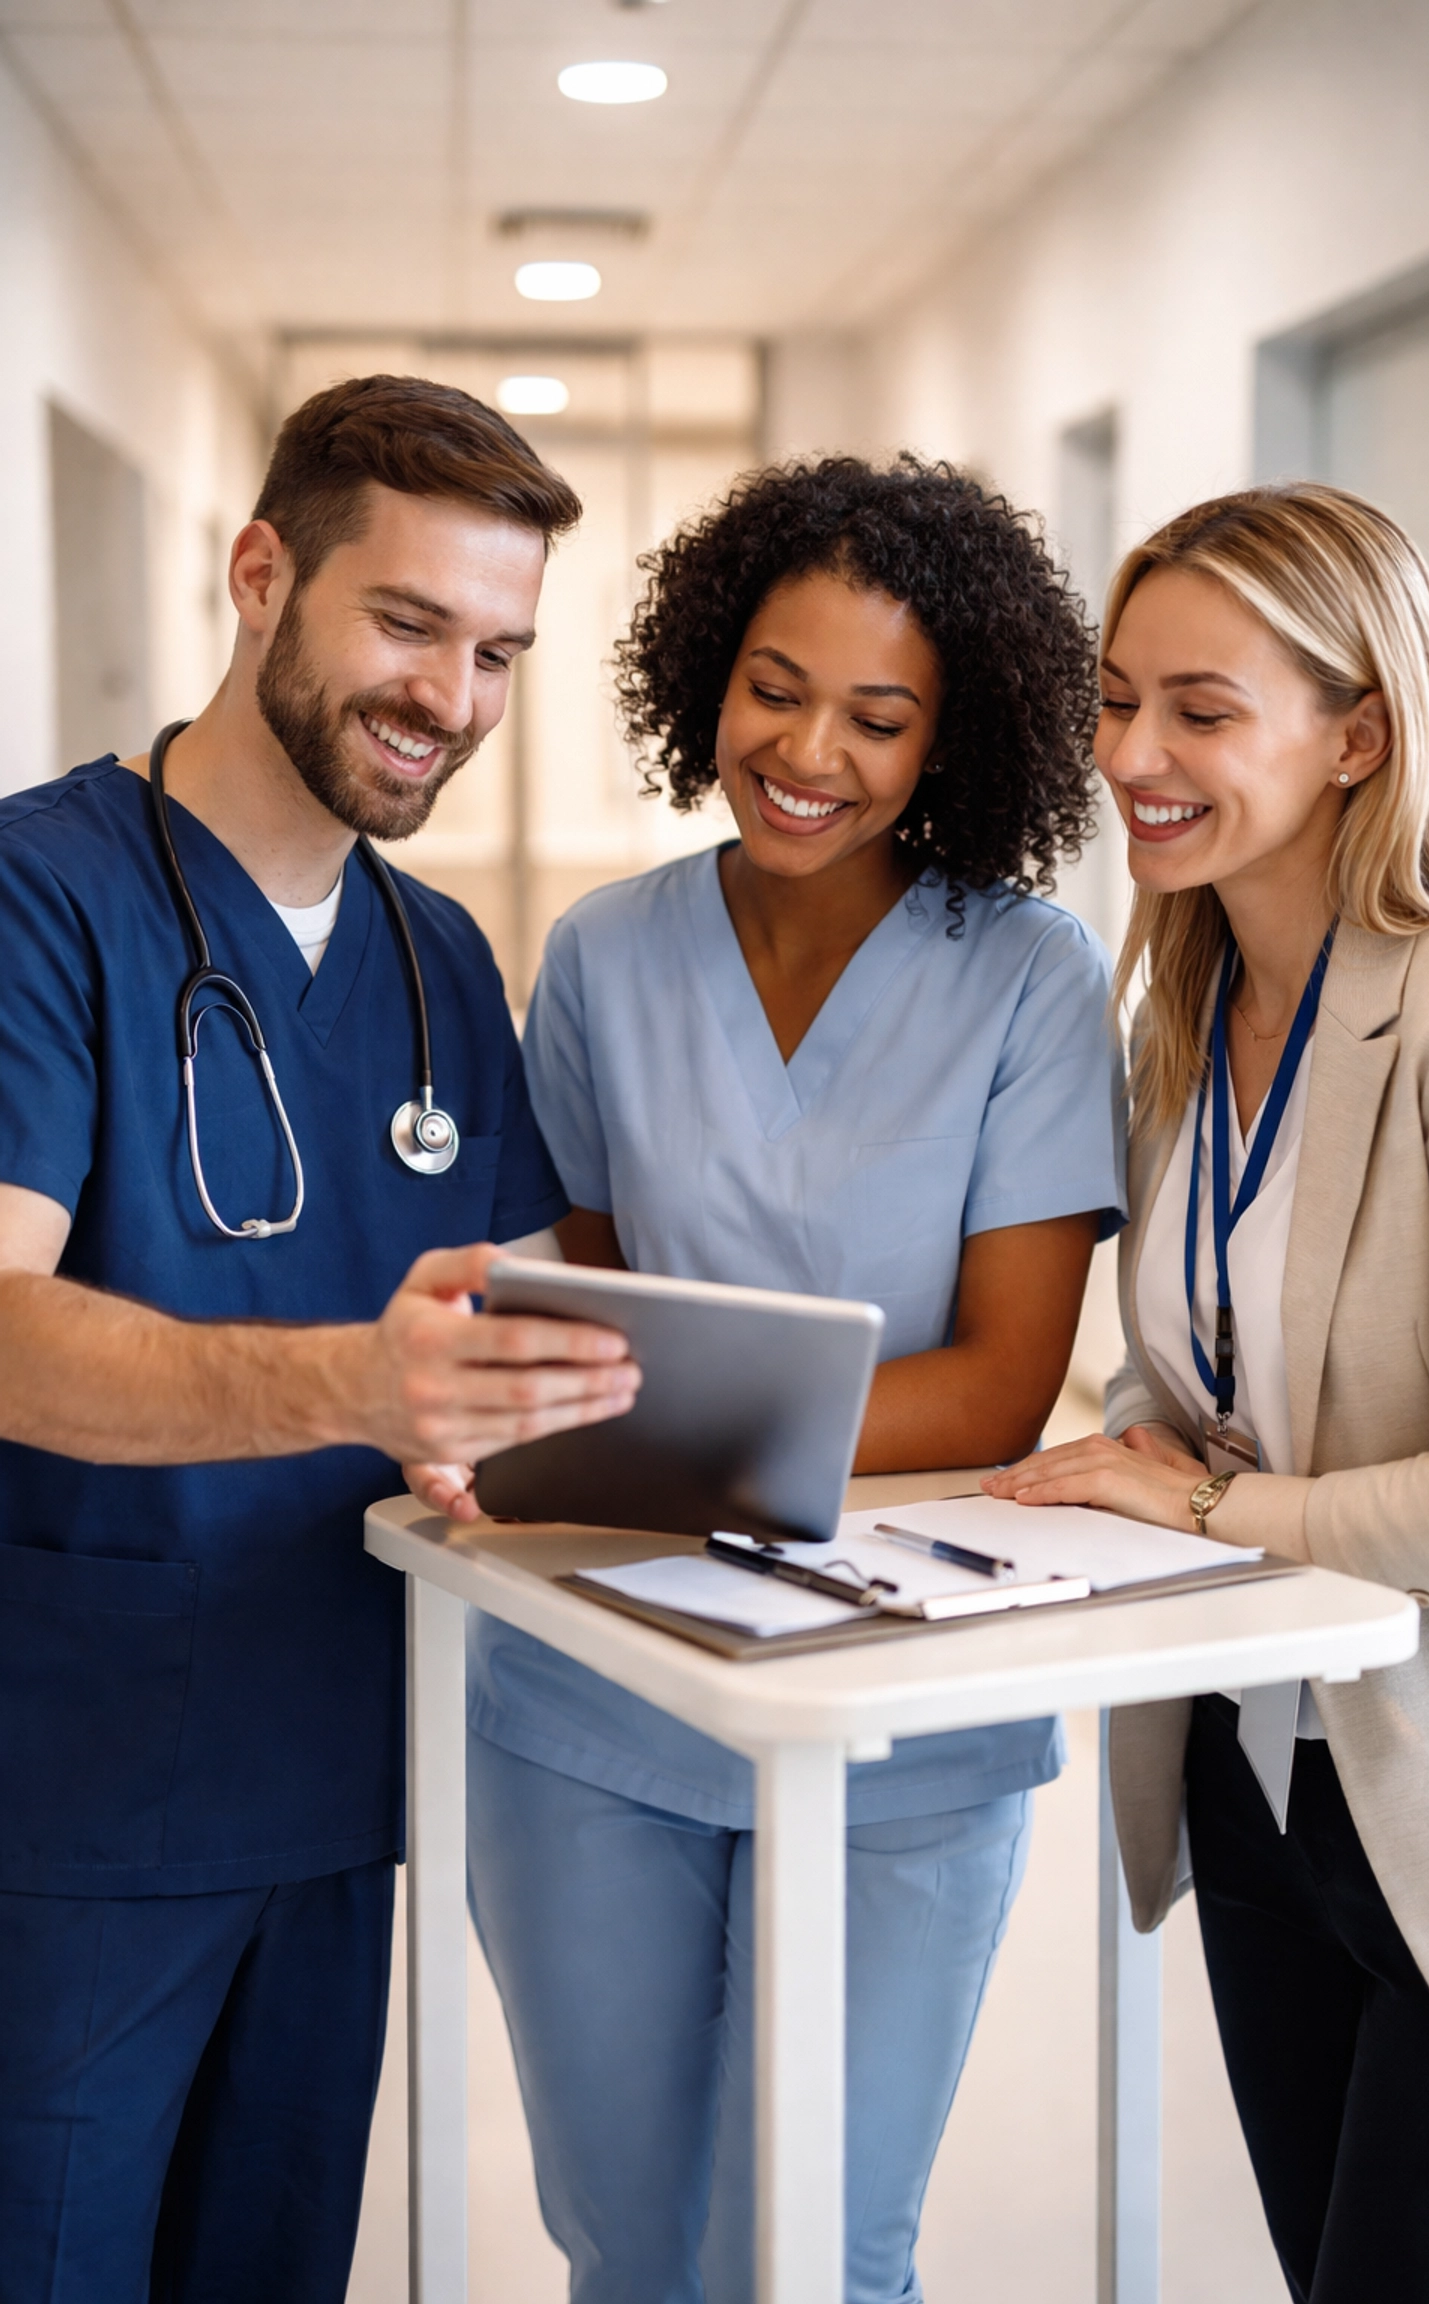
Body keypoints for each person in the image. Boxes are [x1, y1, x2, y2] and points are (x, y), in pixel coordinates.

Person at [412, 454, 1127, 2303]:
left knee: (815, 2248)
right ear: (708, 680)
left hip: (907, 1698)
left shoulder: (1032, 978)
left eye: (881, 718)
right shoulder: (603, 955)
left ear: (952, 739)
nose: (811, 751)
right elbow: (583, 1308)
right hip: (599, 1688)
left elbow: (996, 1393)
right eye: (775, 690)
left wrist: (676, 1410)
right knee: (626, 2243)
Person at [0, 374, 642, 2304]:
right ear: (260, 573)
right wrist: (356, 1382)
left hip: (338, 1776)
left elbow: (534, 1337)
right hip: (75, 1802)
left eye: (502, 653)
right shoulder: (40, 897)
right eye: (409, 624)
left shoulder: (440, 958)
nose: (452, 700)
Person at [984, 482, 1429, 2304]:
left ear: (1358, 732)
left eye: (1201, 711)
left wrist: (1207, 1507)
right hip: (1264, 1785)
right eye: (1118, 697)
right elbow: (1196, 1376)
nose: (1131, 752)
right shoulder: (1184, 1006)